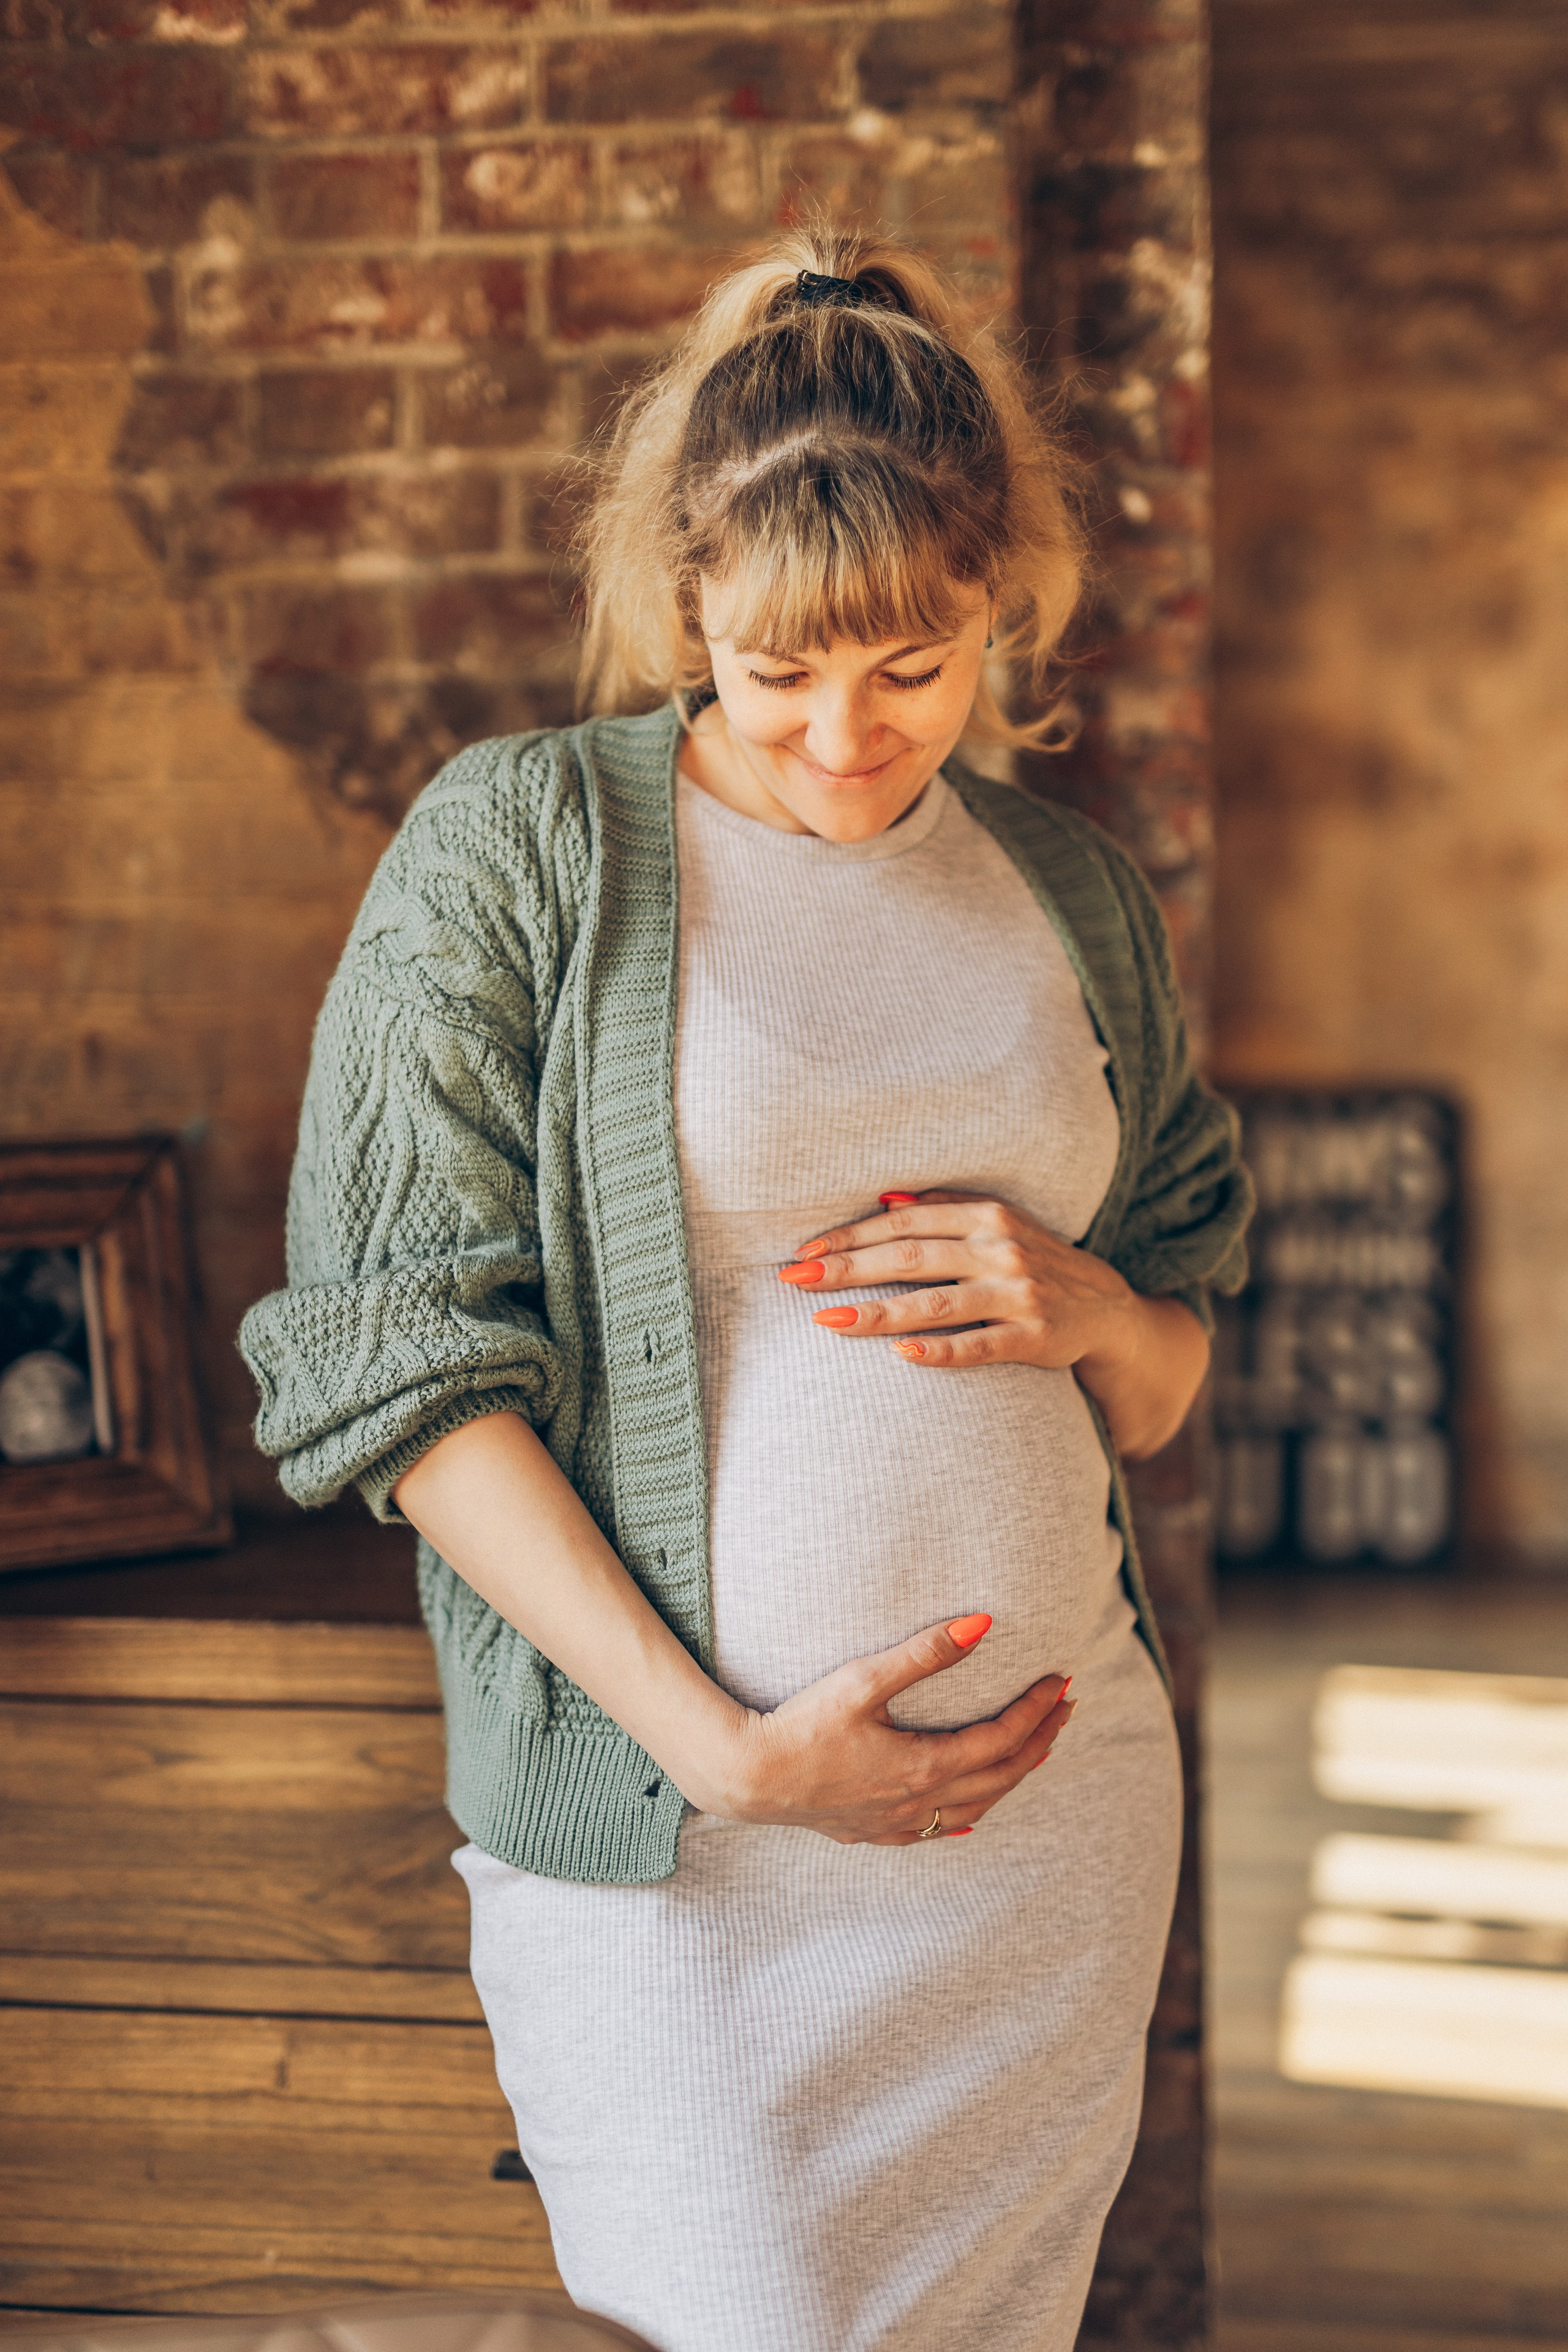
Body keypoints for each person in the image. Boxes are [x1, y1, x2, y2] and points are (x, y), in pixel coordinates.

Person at [241, 228, 1253, 2352]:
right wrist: (723, 1752)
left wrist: (1094, 1309)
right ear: (691, 595)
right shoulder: (518, 847)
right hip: (679, 1845)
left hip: (1047, 1840)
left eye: (915, 662)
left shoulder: (1068, 891)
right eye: (783, 664)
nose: (842, 735)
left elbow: (1166, 1365)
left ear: (1000, 605)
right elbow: (394, 1362)